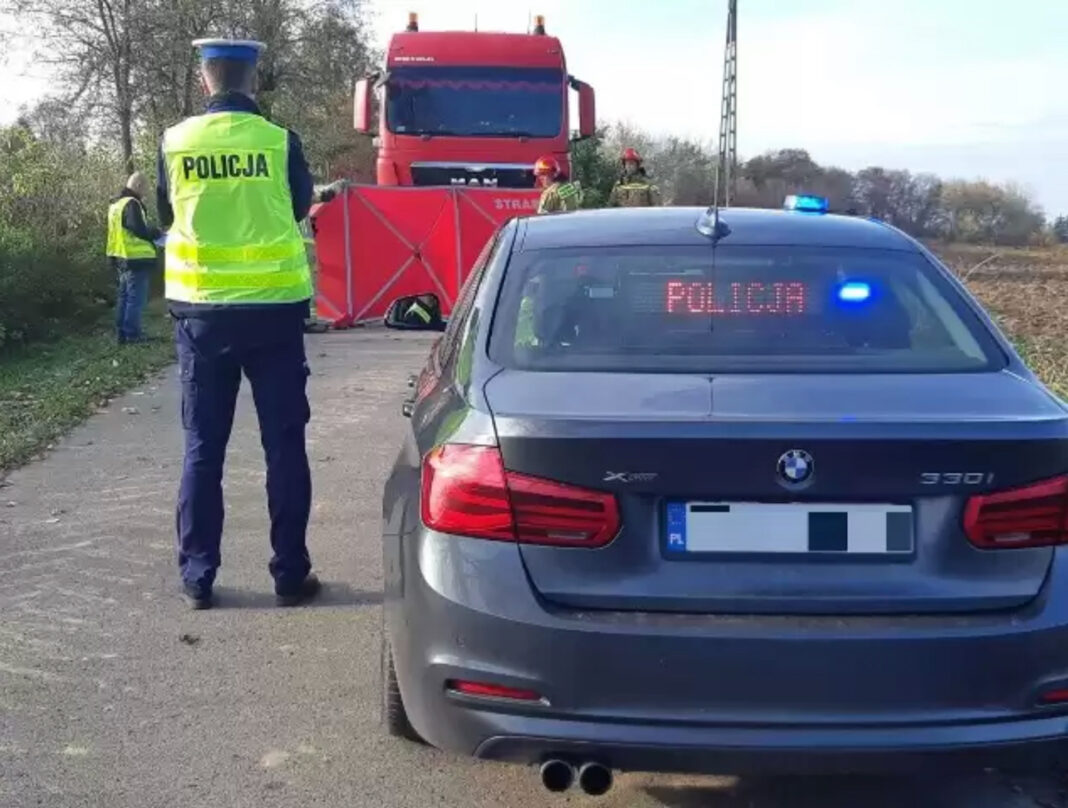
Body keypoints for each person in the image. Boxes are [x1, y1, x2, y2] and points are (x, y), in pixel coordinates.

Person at [157, 38, 319, 610]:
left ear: (206, 80)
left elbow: (165, 214)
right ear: (253, 81)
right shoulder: (279, 142)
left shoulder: (174, 143)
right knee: (284, 445)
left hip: (202, 317)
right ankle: (290, 573)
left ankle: (198, 576)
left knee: (203, 447)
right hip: (274, 315)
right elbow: (299, 207)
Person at [106, 172, 161, 344]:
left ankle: (122, 333)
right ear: (138, 186)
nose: (145, 193)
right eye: (145, 188)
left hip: (121, 257)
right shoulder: (132, 204)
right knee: (135, 299)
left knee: (124, 297)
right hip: (136, 259)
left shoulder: (116, 205)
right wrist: (157, 233)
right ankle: (133, 334)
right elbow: (138, 229)